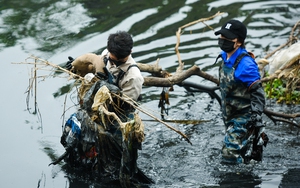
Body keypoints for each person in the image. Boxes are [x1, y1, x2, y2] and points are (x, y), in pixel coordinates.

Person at [58, 31, 152, 186]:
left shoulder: (133, 77)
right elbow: (90, 70)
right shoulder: (105, 56)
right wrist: (75, 68)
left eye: (119, 61)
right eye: (112, 59)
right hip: (94, 112)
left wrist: (107, 88)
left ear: (130, 52)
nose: (114, 63)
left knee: (111, 169)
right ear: (109, 51)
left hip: (116, 122)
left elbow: (124, 107)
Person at [214, 19, 268, 164]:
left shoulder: (246, 64)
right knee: (241, 150)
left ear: (238, 42)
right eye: (221, 37)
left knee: (229, 154)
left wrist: (255, 117)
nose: (222, 40)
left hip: (243, 117)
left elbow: (258, 94)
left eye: (226, 38)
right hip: (229, 113)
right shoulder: (225, 55)